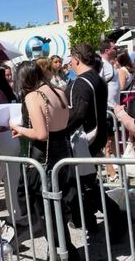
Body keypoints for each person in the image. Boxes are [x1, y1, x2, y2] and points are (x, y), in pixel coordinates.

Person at [9, 60, 79, 259]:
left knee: (46, 210)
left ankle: (64, 253)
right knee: (55, 208)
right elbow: (64, 121)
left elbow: (41, 134)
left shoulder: (33, 96)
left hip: (45, 159)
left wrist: (19, 129)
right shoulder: (57, 90)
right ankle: (59, 252)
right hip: (62, 154)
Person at [65, 43, 126, 242]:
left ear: (76, 59)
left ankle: (115, 218)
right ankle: (90, 221)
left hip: (84, 141)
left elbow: (78, 113)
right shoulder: (97, 79)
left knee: (87, 186)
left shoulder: (81, 83)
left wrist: (59, 127)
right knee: (83, 185)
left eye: (71, 59)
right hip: (94, 137)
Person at [99, 39, 120, 180]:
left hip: (112, 109)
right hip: (106, 110)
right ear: (107, 50)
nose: (116, 49)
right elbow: (97, 84)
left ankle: (114, 169)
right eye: (114, 48)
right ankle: (111, 173)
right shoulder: (101, 65)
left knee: (111, 141)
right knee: (106, 143)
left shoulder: (108, 64)